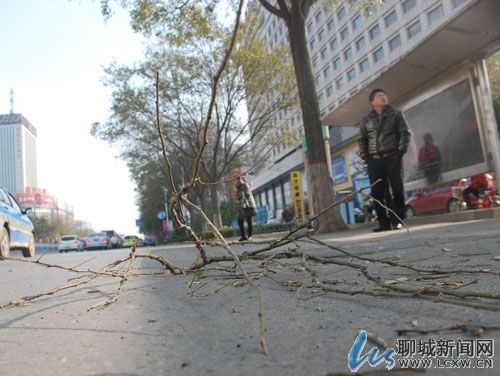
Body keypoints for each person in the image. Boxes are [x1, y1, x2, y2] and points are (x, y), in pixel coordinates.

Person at [358, 88, 411, 232]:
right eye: (379, 96)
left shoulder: (396, 114)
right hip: (374, 160)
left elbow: (405, 133)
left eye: (384, 95)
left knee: (397, 189)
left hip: (393, 156)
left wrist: (400, 151)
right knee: (378, 192)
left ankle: (398, 220)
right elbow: (362, 139)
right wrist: (365, 156)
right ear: (372, 102)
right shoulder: (366, 120)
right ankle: (383, 223)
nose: (383, 97)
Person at [236, 176, 256, 241]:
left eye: (238, 180)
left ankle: (250, 236)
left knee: (248, 220)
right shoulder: (238, 187)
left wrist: (241, 196)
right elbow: (237, 197)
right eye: (236, 180)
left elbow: (247, 194)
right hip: (241, 206)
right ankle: (243, 236)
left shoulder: (245, 185)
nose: (237, 182)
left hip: (247, 205)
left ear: (241, 180)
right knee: (240, 220)